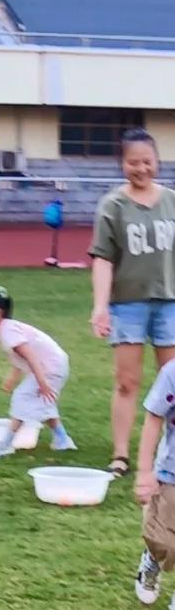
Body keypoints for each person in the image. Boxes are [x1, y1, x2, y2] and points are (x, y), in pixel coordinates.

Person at [89, 127, 175, 478]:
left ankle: (167, 456)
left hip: (170, 303)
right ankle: (121, 455)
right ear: (122, 163)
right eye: (133, 162)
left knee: (172, 385)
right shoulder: (113, 205)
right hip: (128, 306)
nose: (141, 168)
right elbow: (103, 259)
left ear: (157, 161)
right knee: (127, 382)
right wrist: (100, 306)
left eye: (147, 161)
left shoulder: (171, 199)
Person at [0, 283, 76, 457]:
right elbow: (20, 358)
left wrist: (42, 381)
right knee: (44, 403)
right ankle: (63, 439)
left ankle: (5, 445)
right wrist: (13, 377)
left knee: (22, 397)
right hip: (53, 365)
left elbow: (30, 355)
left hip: (50, 367)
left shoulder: (7, 330)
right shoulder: (6, 329)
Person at [132, 357, 175, 610]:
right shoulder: (172, 372)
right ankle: (152, 558)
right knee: (166, 542)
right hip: (171, 471)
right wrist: (145, 472)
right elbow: (153, 417)